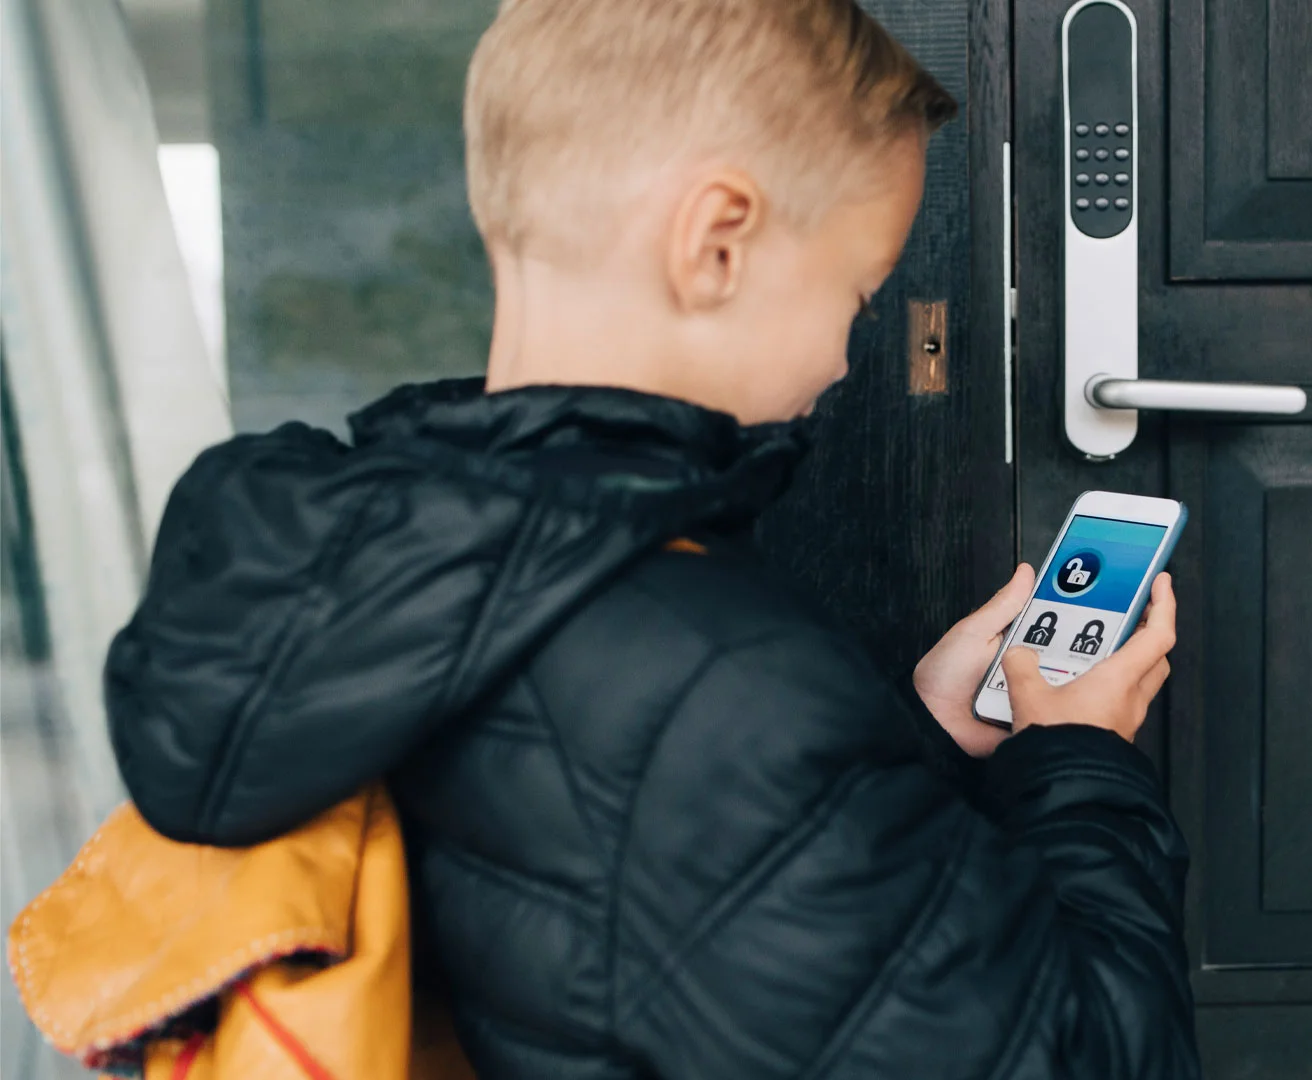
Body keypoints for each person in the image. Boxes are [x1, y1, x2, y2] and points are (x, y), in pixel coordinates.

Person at [102, 1, 1198, 1076]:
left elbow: (671, 872)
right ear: (716, 241)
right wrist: (1080, 764)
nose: (843, 359)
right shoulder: (712, 675)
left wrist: (916, 732)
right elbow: (1090, 1052)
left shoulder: (411, 569)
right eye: (857, 297)